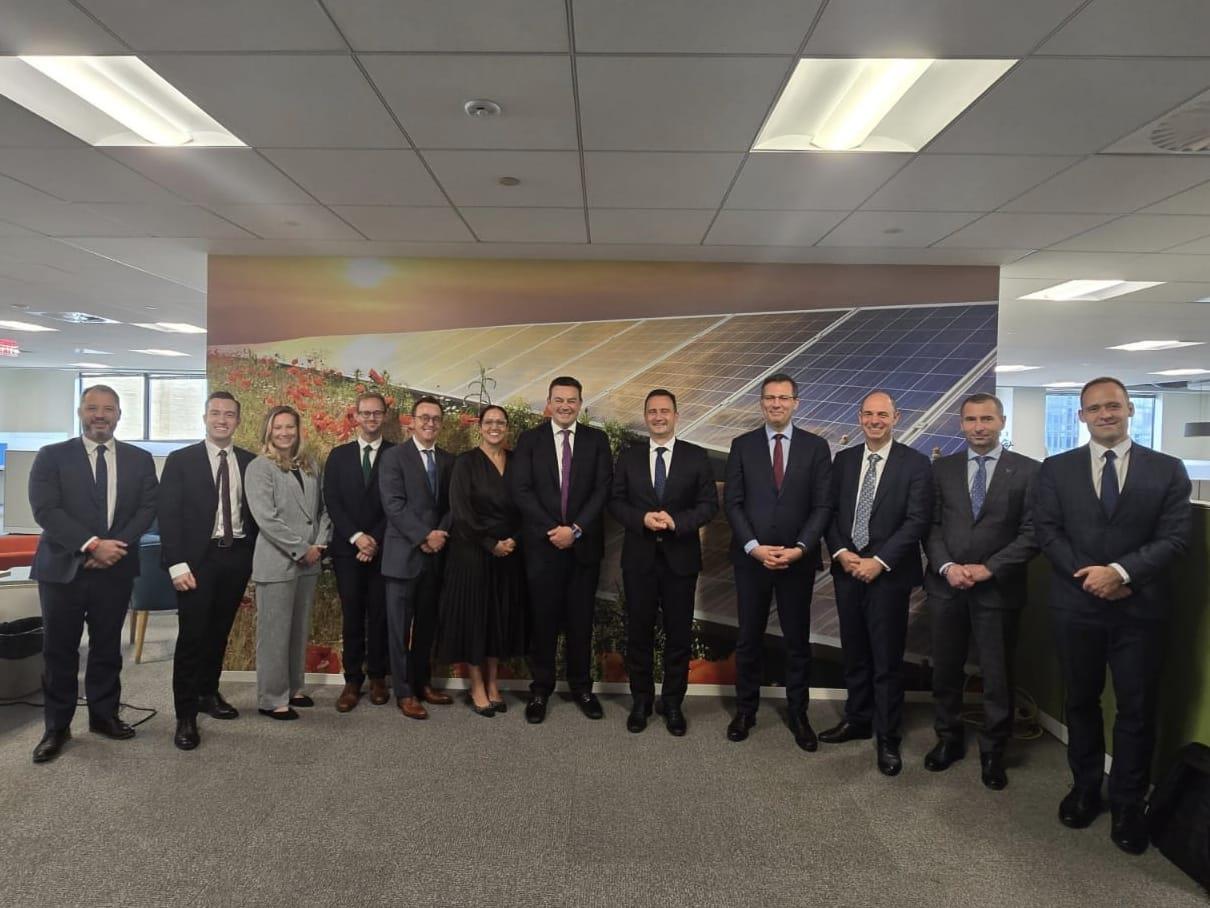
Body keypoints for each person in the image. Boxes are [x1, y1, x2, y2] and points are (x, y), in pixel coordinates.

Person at [1034, 376, 1191, 855]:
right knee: (1080, 701)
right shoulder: (1056, 469)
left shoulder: (1167, 469)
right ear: (1081, 415)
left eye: (1114, 406)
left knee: (1136, 709)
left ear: (1130, 410)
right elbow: (1047, 531)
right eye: (1095, 408)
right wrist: (1091, 578)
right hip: (1075, 605)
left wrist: (1121, 573)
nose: (1105, 414)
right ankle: (1085, 788)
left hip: (1138, 610)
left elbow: (1175, 538)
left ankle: (1127, 803)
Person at [28, 384, 157, 763]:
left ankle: (103, 716)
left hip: (115, 569)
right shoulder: (52, 456)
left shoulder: (139, 459)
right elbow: (45, 509)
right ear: (81, 412)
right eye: (92, 408)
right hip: (62, 570)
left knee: (107, 647)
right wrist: (90, 544)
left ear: (119, 415)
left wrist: (115, 546)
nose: (100, 415)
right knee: (59, 650)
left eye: (108, 409)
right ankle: (57, 727)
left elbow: (148, 508)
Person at [923, 393, 1039, 789]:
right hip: (947, 587)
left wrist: (991, 568)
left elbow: (1033, 533)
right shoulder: (941, 469)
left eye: (987, 419)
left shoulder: (1029, 471)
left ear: (1002, 421)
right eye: (971, 419)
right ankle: (948, 739)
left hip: (998, 590)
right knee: (946, 669)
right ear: (961, 424)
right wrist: (947, 566)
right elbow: (931, 526)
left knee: (997, 674)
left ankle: (994, 751)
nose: (979, 427)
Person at [822, 390, 933, 776]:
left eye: (882, 415)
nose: (874, 421)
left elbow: (917, 521)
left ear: (896, 418)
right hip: (848, 571)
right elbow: (829, 512)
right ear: (859, 417)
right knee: (854, 652)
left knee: (886, 659)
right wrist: (841, 552)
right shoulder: (844, 460)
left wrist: (879, 561)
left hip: (888, 575)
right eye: (868, 414)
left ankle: (888, 735)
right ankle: (857, 719)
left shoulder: (915, 463)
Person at [722, 373, 833, 750]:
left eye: (784, 398)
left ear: (796, 403)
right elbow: (733, 503)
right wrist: (753, 547)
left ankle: (799, 714)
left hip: (796, 561)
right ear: (761, 403)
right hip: (751, 560)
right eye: (770, 397)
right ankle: (745, 710)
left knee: (797, 642)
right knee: (748, 639)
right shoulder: (742, 445)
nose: (776, 404)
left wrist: (801, 547)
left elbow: (822, 506)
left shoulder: (817, 447)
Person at [609, 389, 718, 735]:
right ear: (646, 417)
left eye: (665, 411)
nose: (658, 417)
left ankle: (672, 704)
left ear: (676, 416)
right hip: (639, 559)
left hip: (680, 561)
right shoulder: (629, 457)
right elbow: (616, 502)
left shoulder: (696, 456)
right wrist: (641, 518)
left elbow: (708, 505)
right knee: (638, 633)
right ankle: (641, 702)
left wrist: (677, 522)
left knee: (678, 636)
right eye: (652, 411)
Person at [159, 391, 259, 751]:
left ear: (238, 421)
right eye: (215, 413)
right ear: (204, 418)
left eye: (229, 414)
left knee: (219, 633)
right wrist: (176, 564)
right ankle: (185, 715)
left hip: (236, 558)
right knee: (192, 638)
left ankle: (207, 693)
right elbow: (167, 515)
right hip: (195, 563)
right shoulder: (180, 460)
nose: (222, 419)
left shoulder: (250, 462)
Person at [510, 376, 613, 724]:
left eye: (572, 400)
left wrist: (576, 529)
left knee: (581, 621)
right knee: (543, 621)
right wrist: (553, 530)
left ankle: (582, 688)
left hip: (584, 548)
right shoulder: (530, 440)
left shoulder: (597, 440)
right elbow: (521, 489)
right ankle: (540, 690)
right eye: (559, 400)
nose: (565, 406)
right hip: (543, 547)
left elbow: (602, 489)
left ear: (580, 404)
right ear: (549, 403)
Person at [436, 405, 527, 717]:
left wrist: (514, 539)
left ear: (507, 427)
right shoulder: (465, 462)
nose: (494, 427)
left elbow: (527, 504)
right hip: (473, 552)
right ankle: (476, 686)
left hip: (509, 553)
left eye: (500, 422)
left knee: (498, 619)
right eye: (489, 422)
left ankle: (493, 683)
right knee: (476, 619)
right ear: (480, 427)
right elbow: (460, 511)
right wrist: (490, 544)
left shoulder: (517, 461)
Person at [244, 405, 332, 720]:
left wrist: (319, 544)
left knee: (297, 630)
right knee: (274, 634)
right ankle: (271, 698)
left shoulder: (309, 464)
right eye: (278, 427)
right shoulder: (259, 467)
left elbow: (324, 509)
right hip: (277, 560)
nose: (284, 433)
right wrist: (301, 549)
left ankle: (294, 688)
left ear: (298, 430)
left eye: (290, 427)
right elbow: (266, 518)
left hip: (310, 561)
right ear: (268, 431)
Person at [378, 396, 454, 720]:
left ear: (441, 423)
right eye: (424, 417)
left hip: (435, 558)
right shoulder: (394, 457)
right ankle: (404, 692)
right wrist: (424, 536)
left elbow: (452, 505)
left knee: (426, 626)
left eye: (435, 418)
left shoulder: (448, 460)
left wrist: (440, 534)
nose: (430, 423)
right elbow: (393, 505)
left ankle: (423, 683)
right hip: (403, 556)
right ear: (412, 421)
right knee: (398, 630)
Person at [323, 392, 395, 713]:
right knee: (352, 616)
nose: (371, 418)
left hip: (383, 549)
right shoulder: (338, 456)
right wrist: (356, 537)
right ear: (355, 416)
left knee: (380, 615)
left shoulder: (396, 455)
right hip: (346, 550)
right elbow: (332, 500)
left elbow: (397, 502)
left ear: (385, 416)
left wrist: (373, 539)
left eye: (376, 413)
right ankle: (352, 679)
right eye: (365, 413)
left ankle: (378, 676)